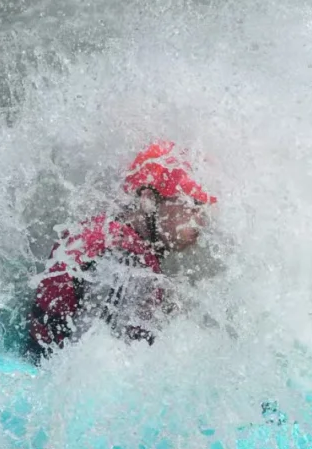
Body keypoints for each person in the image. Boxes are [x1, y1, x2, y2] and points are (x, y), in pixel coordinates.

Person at [28, 142, 215, 353]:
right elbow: (94, 357)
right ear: (148, 200)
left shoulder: (105, 233)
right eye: (191, 206)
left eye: (203, 209)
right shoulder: (122, 260)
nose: (200, 221)